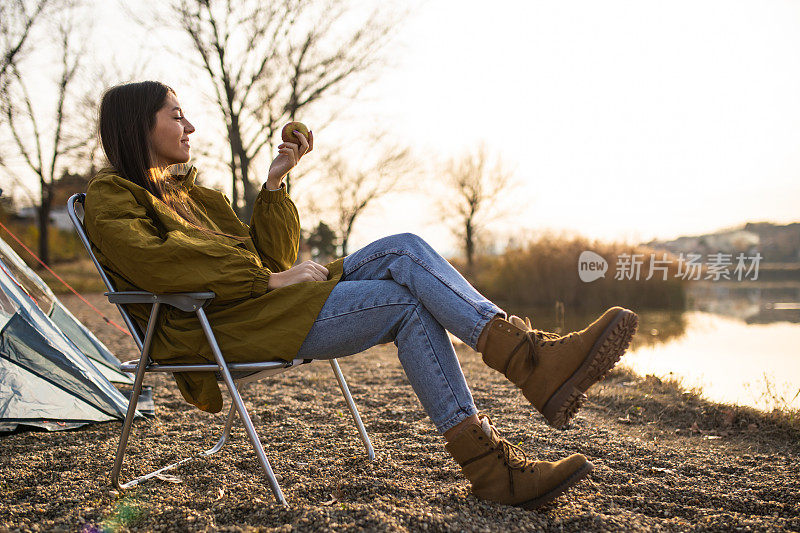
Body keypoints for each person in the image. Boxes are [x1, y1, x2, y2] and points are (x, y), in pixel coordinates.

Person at [85, 81, 639, 510]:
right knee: (406, 303)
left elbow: (271, 257)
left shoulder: (194, 195)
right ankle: (517, 396)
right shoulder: (113, 196)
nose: (192, 126)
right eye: (176, 114)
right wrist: (265, 282)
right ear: (140, 125)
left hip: (263, 307)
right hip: (221, 327)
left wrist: (275, 182)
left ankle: (520, 385)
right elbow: (159, 263)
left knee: (403, 247)